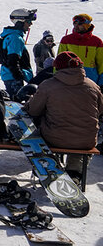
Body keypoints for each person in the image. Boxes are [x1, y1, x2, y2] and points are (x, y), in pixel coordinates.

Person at [24, 51, 103, 184]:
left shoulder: (48, 85)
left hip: (55, 137)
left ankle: (49, 166)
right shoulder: (93, 86)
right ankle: (74, 172)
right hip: (86, 140)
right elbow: (100, 110)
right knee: (79, 142)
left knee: (41, 129)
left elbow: (34, 110)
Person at [0, 8, 36, 98]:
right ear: (20, 22)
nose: (30, 24)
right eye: (28, 21)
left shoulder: (10, 36)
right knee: (17, 103)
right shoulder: (15, 38)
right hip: (14, 77)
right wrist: (19, 77)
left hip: (9, 75)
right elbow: (13, 60)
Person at [58, 14, 103, 86]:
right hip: (70, 80)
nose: (76, 26)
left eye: (79, 24)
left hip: (91, 81)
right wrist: (57, 77)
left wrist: (101, 83)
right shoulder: (66, 40)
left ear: (87, 25)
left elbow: (101, 64)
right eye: (74, 23)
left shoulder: (96, 42)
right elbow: (59, 61)